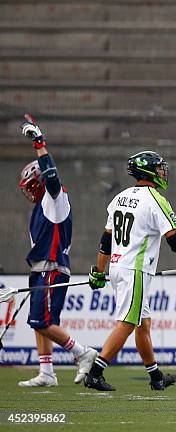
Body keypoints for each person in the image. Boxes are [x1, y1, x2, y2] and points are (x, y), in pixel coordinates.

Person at [85, 151, 176, 391]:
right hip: (135, 270)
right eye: (159, 168)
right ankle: (95, 373)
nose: (163, 172)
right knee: (127, 324)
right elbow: (175, 240)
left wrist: (99, 270)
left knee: (143, 324)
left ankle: (156, 377)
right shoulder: (154, 199)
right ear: (148, 171)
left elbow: (106, 240)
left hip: (118, 269)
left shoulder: (120, 197)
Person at [17, 115, 97, 387]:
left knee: (42, 321)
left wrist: (39, 143)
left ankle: (83, 353)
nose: (29, 192)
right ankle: (47, 372)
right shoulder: (41, 207)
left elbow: (51, 175)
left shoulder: (55, 199)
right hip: (40, 268)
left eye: (31, 186)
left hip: (52, 268)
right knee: (38, 322)